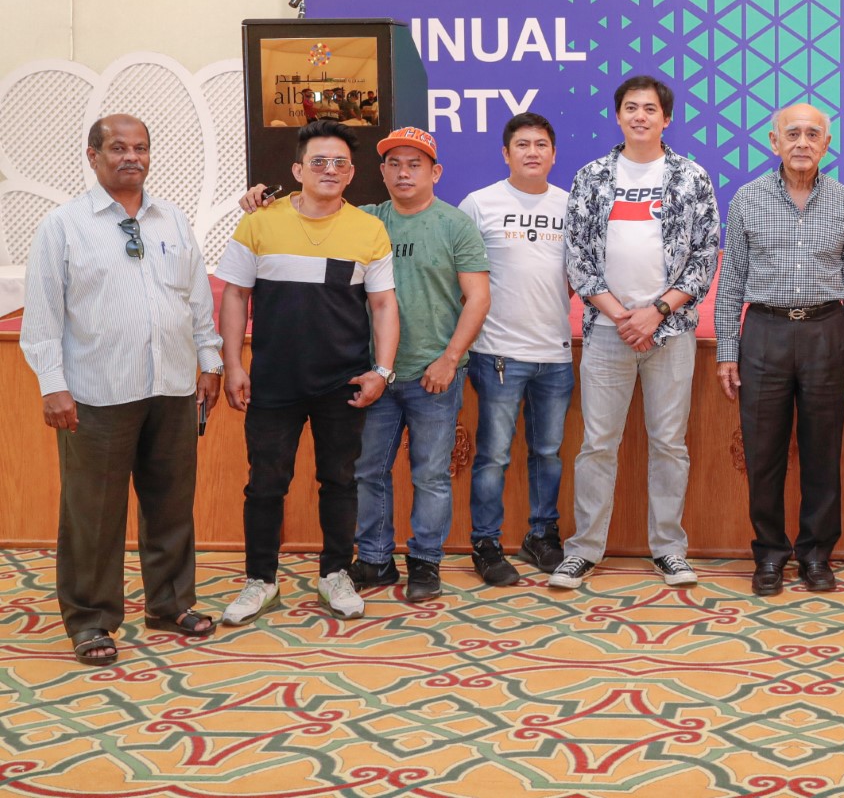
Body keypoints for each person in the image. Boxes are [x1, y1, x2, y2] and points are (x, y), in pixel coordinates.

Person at [242, 126, 491, 601]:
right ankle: (375, 560)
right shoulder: (368, 218)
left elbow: (478, 298)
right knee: (366, 472)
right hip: (369, 374)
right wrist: (261, 199)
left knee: (430, 475)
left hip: (433, 374)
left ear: (435, 172)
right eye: (394, 164)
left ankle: (425, 562)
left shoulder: (455, 224)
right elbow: (314, 204)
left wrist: (449, 359)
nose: (403, 173)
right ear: (379, 172)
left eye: (414, 164)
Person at [21, 115, 224, 666]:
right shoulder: (63, 226)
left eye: (140, 148)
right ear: (93, 156)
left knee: (171, 503)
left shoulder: (172, 219)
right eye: (117, 148)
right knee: (93, 512)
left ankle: (170, 603)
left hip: (172, 385)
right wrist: (52, 385)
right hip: (95, 393)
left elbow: (196, 300)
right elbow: (43, 316)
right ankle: (90, 619)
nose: (131, 157)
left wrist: (210, 360)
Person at [217, 119, 400, 624]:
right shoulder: (259, 221)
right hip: (273, 380)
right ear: (298, 170)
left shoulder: (368, 229)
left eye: (340, 163)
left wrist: (382, 370)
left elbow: (383, 305)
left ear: (352, 173)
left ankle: (335, 573)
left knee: (340, 482)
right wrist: (232, 364)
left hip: (343, 381)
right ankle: (260, 580)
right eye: (318, 161)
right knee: (265, 484)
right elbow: (235, 295)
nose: (329, 170)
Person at [548, 76, 720, 591]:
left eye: (650, 109)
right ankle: (583, 551)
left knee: (669, 444)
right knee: (597, 444)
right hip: (607, 331)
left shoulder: (690, 177)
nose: (640, 116)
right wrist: (623, 315)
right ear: (618, 116)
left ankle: (669, 549)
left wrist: (657, 312)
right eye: (630, 108)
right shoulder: (592, 176)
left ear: (667, 119)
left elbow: (705, 255)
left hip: (672, 332)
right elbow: (576, 257)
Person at [714, 103, 844, 596]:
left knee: (823, 452)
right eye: (792, 134)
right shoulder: (747, 198)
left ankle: (816, 555)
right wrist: (727, 350)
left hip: (826, 331)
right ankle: (769, 555)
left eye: (812, 134)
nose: (802, 143)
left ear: (827, 144)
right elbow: (731, 281)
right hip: (765, 332)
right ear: (774, 141)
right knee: (763, 453)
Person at [458, 113, 575, 582]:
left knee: (547, 453)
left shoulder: (570, 204)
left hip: (555, 355)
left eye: (541, 144)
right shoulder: (479, 203)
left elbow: (576, 276)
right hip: (497, 353)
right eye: (522, 144)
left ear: (554, 154)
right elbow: (459, 277)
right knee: (494, 456)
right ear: (505, 154)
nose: (532, 152)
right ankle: (486, 544)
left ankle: (541, 535)